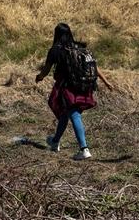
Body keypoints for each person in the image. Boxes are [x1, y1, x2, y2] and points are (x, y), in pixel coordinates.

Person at [35, 23, 114, 161]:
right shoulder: (80, 47)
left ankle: (84, 149)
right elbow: (95, 66)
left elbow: (46, 69)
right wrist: (106, 82)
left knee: (74, 114)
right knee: (66, 113)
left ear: (56, 34)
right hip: (84, 85)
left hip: (67, 87)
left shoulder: (55, 50)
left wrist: (39, 77)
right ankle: (55, 142)